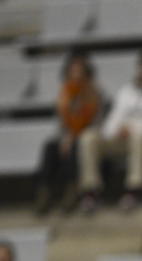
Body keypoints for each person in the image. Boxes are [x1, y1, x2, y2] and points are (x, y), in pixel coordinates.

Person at [78, 49, 142, 212]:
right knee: (88, 137)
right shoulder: (126, 92)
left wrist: (131, 129)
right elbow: (112, 119)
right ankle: (91, 191)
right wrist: (115, 131)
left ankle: (133, 191)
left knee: (139, 137)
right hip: (118, 138)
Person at [34, 51, 101, 215]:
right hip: (69, 136)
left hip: (88, 136)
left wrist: (72, 136)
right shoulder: (65, 93)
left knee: (78, 145)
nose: (76, 74)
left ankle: (72, 191)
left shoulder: (93, 92)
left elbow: (92, 120)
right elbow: (63, 122)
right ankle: (44, 192)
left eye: (80, 70)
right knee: (50, 146)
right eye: (73, 70)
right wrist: (66, 137)